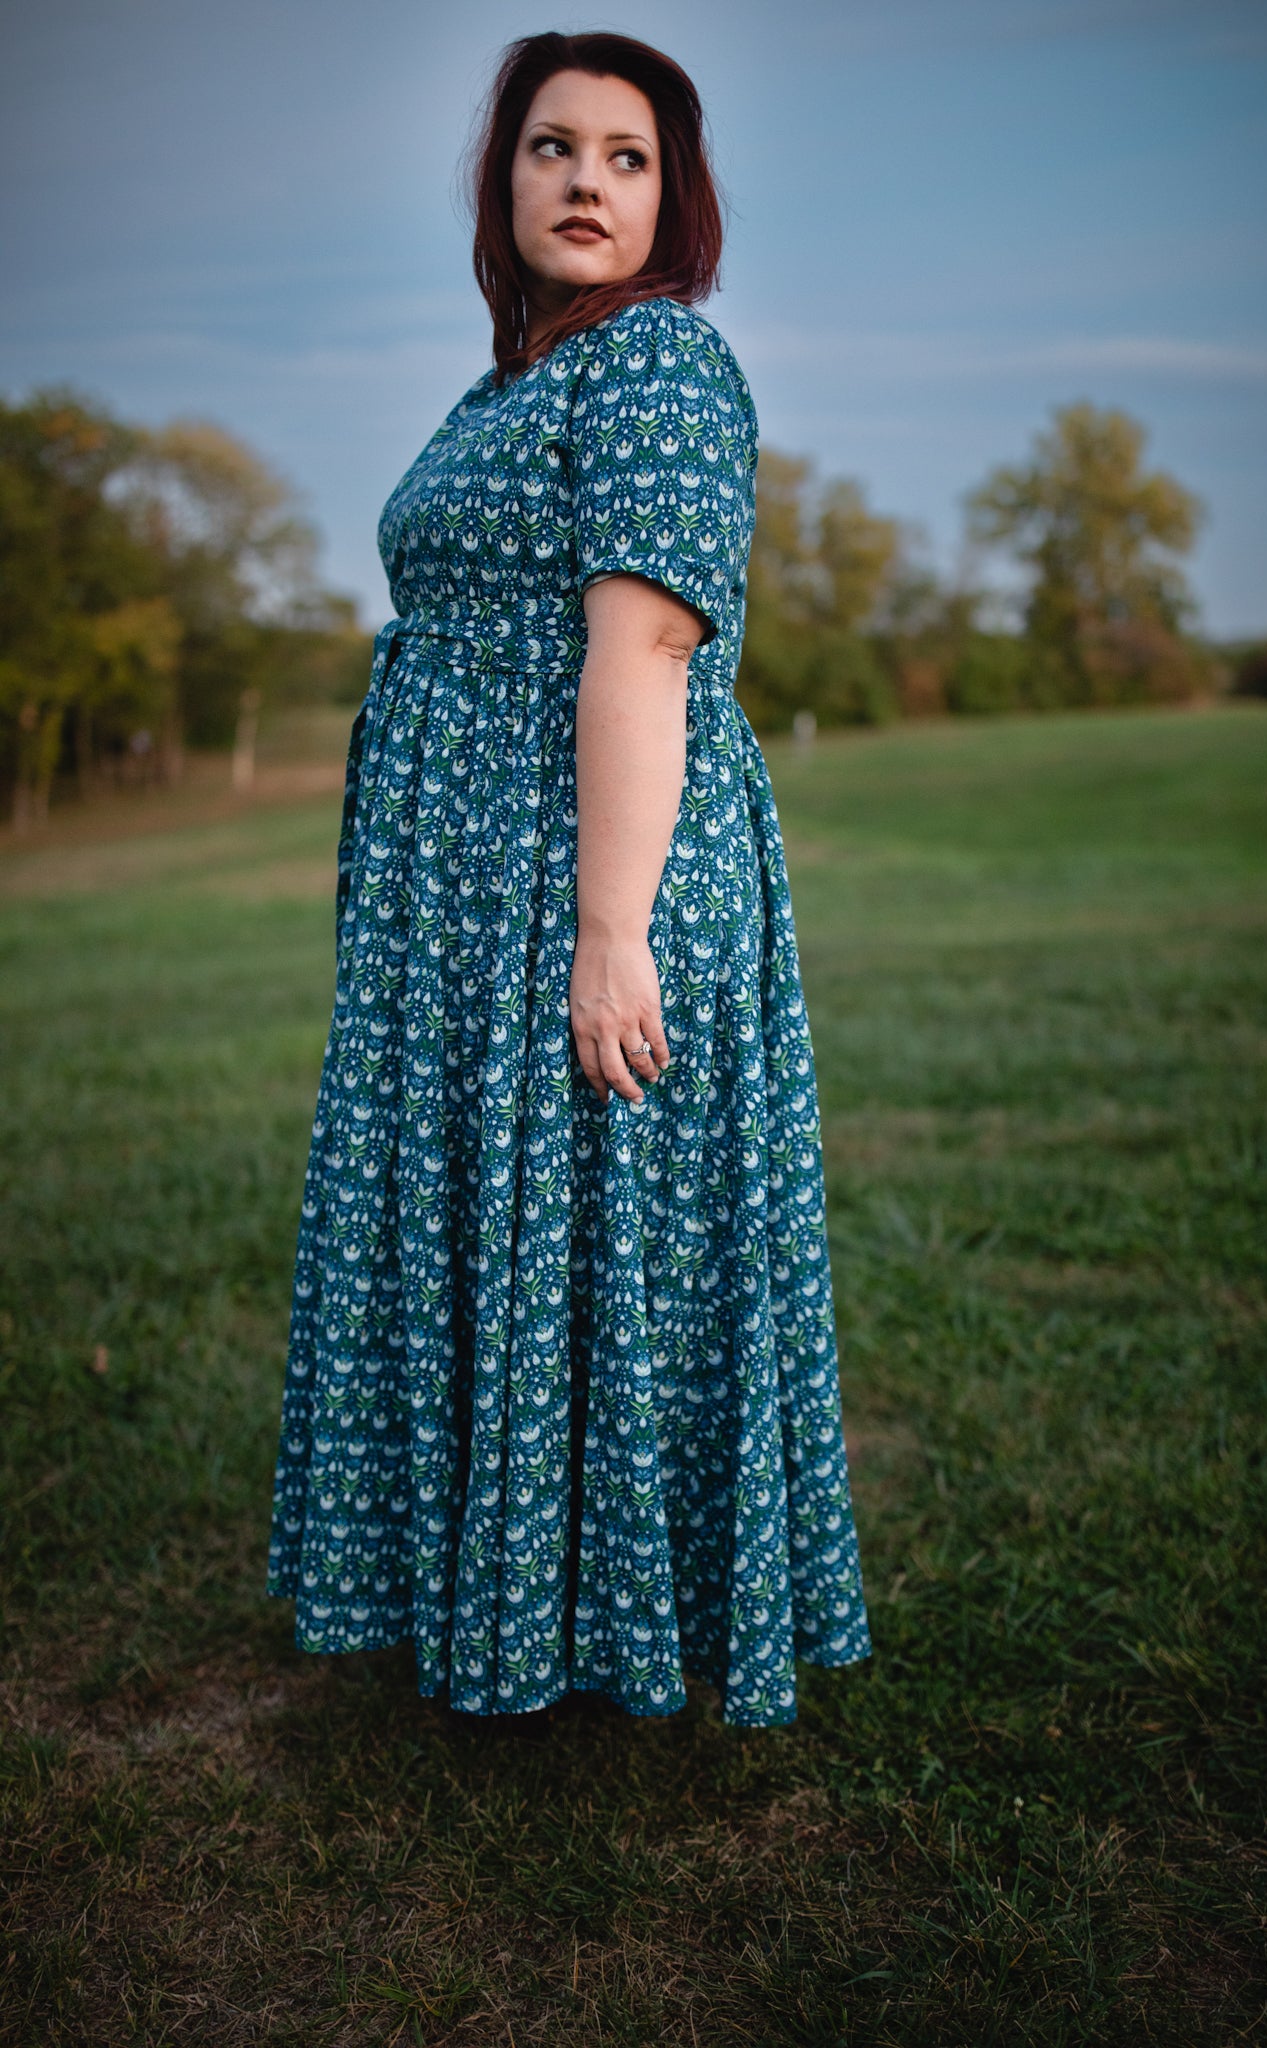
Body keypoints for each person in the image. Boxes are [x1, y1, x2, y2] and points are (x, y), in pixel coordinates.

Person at [266, 30, 871, 1727]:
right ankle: (504, 1601)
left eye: (624, 157)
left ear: (671, 199)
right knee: (502, 1229)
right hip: (469, 888)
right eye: (550, 148)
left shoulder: (658, 363)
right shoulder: (519, 377)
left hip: (587, 871)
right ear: (500, 180)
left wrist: (610, 934)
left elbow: (648, 649)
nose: (584, 181)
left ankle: (609, 1633)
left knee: (602, 1239)